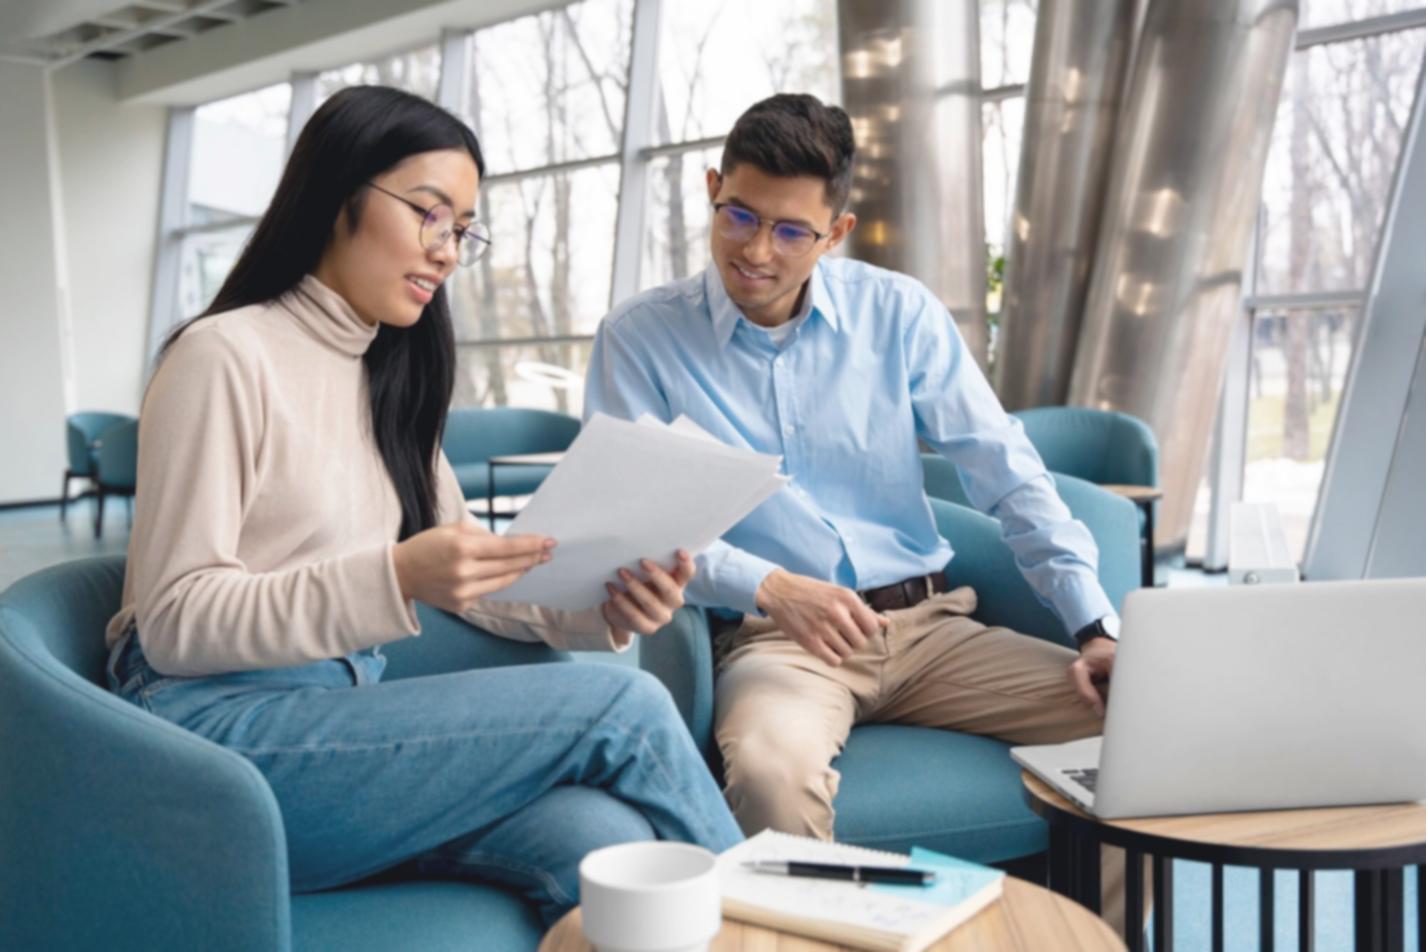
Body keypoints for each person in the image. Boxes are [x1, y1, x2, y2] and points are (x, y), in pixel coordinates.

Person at [104, 85, 741, 926]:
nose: (447, 250)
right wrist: (395, 575)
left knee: (601, 840)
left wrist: (605, 604)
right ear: (340, 197)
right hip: (213, 742)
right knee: (623, 706)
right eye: (429, 215)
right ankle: (792, 931)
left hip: (338, 724)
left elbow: (473, 569)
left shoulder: (386, 376)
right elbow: (177, 622)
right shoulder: (223, 357)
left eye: (463, 230)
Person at [584, 91, 1127, 912]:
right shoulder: (641, 338)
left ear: (835, 233)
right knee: (772, 776)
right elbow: (633, 520)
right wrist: (769, 586)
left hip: (931, 632)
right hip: (778, 644)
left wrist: (1093, 625)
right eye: (738, 215)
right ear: (711, 189)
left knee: (1142, 733)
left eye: (792, 230)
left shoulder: (897, 313)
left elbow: (1006, 471)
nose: (756, 250)